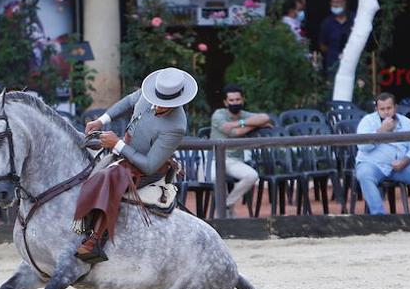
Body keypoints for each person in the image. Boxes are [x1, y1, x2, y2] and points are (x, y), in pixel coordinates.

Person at [77, 67, 197, 263]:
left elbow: (149, 165)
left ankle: (95, 241)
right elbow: (128, 101)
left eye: (163, 105)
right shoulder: (150, 93)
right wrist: (101, 120)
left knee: (111, 176)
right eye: (157, 101)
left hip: (148, 168)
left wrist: (117, 144)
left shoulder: (176, 126)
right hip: (123, 152)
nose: (157, 106)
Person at [354, 93, 410, 214]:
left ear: (395, 107)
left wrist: (404, 161)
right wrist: (381, 131)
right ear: (377, 109)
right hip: (373, 164)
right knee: (364, 174)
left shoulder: (407, 123)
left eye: (389, 108)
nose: (386, 112)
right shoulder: (367, 121)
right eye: (382, 109)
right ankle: (380, 217)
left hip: (401, 167)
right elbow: (362, 146)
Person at [209, 84, 273, 213]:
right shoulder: (218, 114)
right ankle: (225, 213)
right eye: (231, 100)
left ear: (242, 100)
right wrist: (254, 125)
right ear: (225, 102)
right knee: (215, 178)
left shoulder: (244, 114)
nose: (235, 103)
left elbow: (265, 117)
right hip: (215, 159)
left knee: (252, 175)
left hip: (235, 160)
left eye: (238, 100)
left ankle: (226, 204)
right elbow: (232, 132)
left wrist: (241, 123)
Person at [318, 0, 352, 76]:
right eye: (332, 2)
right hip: (333, 67)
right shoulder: (326, 23)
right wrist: (333, 53)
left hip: (352, 65)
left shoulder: (353, 19)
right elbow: (322, 45)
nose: (335, 5)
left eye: (337, 2)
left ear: (344, 2)